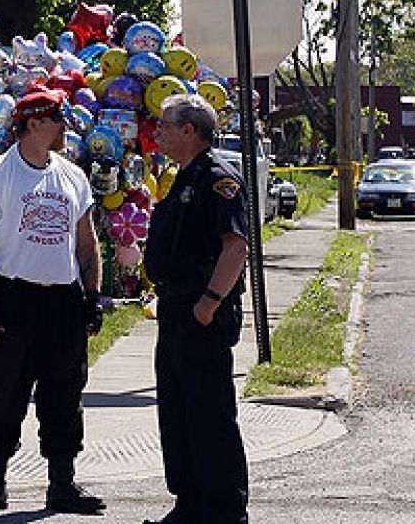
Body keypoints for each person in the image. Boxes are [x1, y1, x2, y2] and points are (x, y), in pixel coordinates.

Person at [0, 87, 107, 516]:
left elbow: (87, 243)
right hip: (14, 297)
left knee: (64, 392)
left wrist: (93, 296)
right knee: (4, 391)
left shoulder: (72, 177)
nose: (65, 126)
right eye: (57, 118)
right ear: (35, 123)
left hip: (62, 300)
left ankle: (62, 484)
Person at [143, 93, 251, 524]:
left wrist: (208, 303)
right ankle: (189, 503)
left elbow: (236, 246)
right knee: (177, 412)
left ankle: (224, 511)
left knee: (210, 414)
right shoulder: (181, 178)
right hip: (174, 310)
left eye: (166, 125)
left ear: (189, 131)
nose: (159, 133)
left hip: (201, 312)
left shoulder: (218, 179)